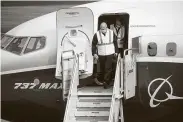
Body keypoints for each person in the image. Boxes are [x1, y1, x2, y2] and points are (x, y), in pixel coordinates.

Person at [92, 22, 118, 89]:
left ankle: (106, 83)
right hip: (101, 54)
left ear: (107, 27)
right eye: (101, 28)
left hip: (110, 53)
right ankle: (106, 81)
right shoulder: (96, 34)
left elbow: (115, 42)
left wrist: (116, 51)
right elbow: (93, 44)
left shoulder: (111, 33)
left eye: (104, 28)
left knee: (108, 68)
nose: (102, 30)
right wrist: (94, 53)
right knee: (103, 68)